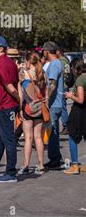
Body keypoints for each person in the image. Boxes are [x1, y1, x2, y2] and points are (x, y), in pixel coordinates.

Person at [0, 36, 20, 183]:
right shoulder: (10, 63)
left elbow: (11, 87)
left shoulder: (1, 64)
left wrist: (20, 100)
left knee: (8, 140)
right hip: (5, 106)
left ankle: (11, 173)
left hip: (5, 106)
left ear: (0, 48)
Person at [14, 52, 47, 175]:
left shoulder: (24, 75)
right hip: (39, 108)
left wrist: (20, 110)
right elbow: (46, 94)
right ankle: (41, 164)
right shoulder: (42, 74)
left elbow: (21, 96)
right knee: (38, 137)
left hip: (27, 108)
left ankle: (26, 165)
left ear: (28, 61)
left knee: (28, 137)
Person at [43, 41, 64, 170]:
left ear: (46, 51)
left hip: (54, 103)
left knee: (52, 131)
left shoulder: (55, 64)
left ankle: (55, 159)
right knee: (53, 131)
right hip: (56, 103)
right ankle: (56, 157)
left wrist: (46, 98)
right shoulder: (57, 63)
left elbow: (53, 84)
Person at [63, 60, 86, 174]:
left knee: (72, 135)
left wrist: (70, 95)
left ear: (76, 68)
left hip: (79, 111)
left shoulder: (80, 79)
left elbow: (81, 100)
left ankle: (75, 165)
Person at [57, 48, 72, 135]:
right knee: (62, 106)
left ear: (59, 52)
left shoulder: (62, 61)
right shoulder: (65, 60)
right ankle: (66, 125)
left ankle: (66, 125)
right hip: (64, 86)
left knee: (62, 106)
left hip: (62, 86)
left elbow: (65, 75)